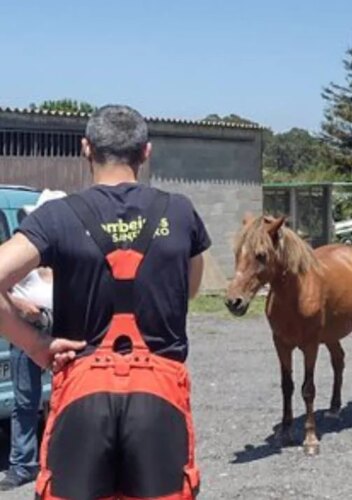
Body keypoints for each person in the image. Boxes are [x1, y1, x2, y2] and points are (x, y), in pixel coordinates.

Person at [0, 104, 210, 499]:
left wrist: (34, 345)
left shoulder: (57, 216)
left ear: (85, 148)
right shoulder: (180, 212)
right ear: (145, 152)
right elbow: (190, 290)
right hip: (159, 394)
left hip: (82, 391)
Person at [0, 190, 66, 491]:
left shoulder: (70, 258)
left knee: (64, 399)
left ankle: (60, 461)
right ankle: (22, 465)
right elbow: (6, 289)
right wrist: (20, 307)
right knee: (25, 403)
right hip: (27, 333)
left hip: (63, 332)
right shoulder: (26, 255)